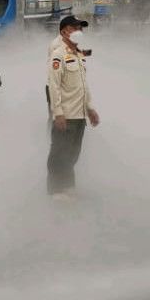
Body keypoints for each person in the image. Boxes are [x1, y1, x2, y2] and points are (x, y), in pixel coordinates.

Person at [46, 15, 100, 200]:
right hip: (66, 113)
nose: (79, 31)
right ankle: (55, 190)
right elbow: (54, 86)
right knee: (59, 152)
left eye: (81, 28)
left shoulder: (79, 55)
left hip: (80, 114)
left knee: (73, 154)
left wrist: (90, 108)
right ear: (64, 32)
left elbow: (84, 85)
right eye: (74, 28)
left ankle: (67, 185)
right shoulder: (58, 54)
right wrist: (58, 113)